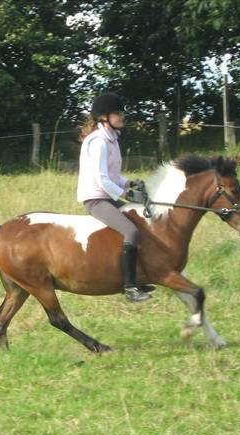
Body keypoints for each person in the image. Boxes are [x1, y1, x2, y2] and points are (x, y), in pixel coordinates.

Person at [77, 92, 151, 303]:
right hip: (96, 199)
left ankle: (138, 276)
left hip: (108, 195)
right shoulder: (99, 142)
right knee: (130, 230)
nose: (121, 117)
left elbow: (115, 176)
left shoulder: (112, 139)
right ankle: (129, 287)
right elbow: (102, 180)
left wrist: (129, 183)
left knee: (142, 221)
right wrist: (126, 195)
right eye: (117, 113)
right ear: (104, 117)